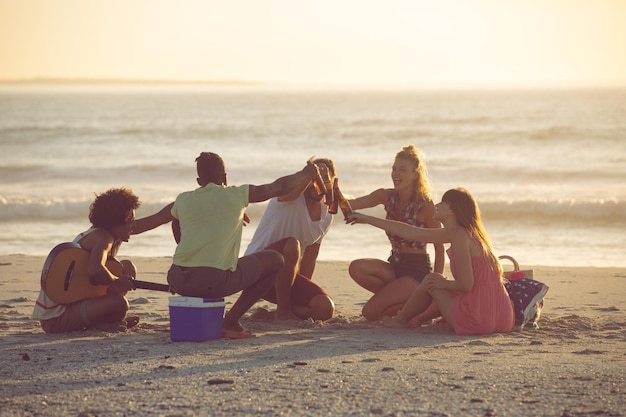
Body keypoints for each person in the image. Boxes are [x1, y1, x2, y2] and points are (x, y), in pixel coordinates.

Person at [166, 152, 323, 339]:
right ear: (225, 177)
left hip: (177, 279)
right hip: (213, 282)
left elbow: (176, 224)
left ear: (199, 181)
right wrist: (305, 173)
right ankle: (230, 321)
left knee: (207, 272)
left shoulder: (183, 199)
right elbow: (278, 187)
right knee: (274, 260)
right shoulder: (236, 194)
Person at [348, 187, 515, 335]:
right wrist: (368, 219)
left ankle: (400, 321)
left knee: (431, 280)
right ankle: (418, 318)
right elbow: (410, 232)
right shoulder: (468, 234)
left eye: (442, 202)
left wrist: (443, 283)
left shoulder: (458, 235)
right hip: (503, 317)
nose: (436, 204)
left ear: (453, 210)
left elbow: (466, 285)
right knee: (441, 284)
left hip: (477, 319)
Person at [33, 188, 174, 333]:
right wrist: (118, 281)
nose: (134, 225)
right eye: (130, 221)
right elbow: (96, 271)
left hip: (70, 306)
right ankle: (102, 324)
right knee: (119, 303)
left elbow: (160, 218)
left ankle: (101, 321)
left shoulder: (109, 231)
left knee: (126, 267)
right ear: (115, 223)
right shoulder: (103, 238)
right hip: (57, 317)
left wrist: (187, 201)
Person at [347, 145, 444, 324]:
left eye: (402, 169)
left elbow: (439, 246)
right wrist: (330, 187)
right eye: (394, 168)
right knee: (357, 267)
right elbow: (351, 204)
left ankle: (418, 302)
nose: (396, 173)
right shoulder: (386, 196)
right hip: (395, 266)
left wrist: (434, 285)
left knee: (369, 312)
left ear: (416, 174)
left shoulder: (425, 205)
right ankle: (406, 304)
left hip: (416, 273)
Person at [244, 158, 336, 321]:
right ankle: (283, 312)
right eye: (315, 177)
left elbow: (309, 259)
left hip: (283, 279)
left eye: (324, 177)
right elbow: (291, 190)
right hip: (257, 270)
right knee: (292, 245)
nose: (319, 181)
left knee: (324, 308)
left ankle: (269, 316)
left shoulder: (327, 214)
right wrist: (307, 174)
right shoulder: (290, 197)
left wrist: (302, 295)